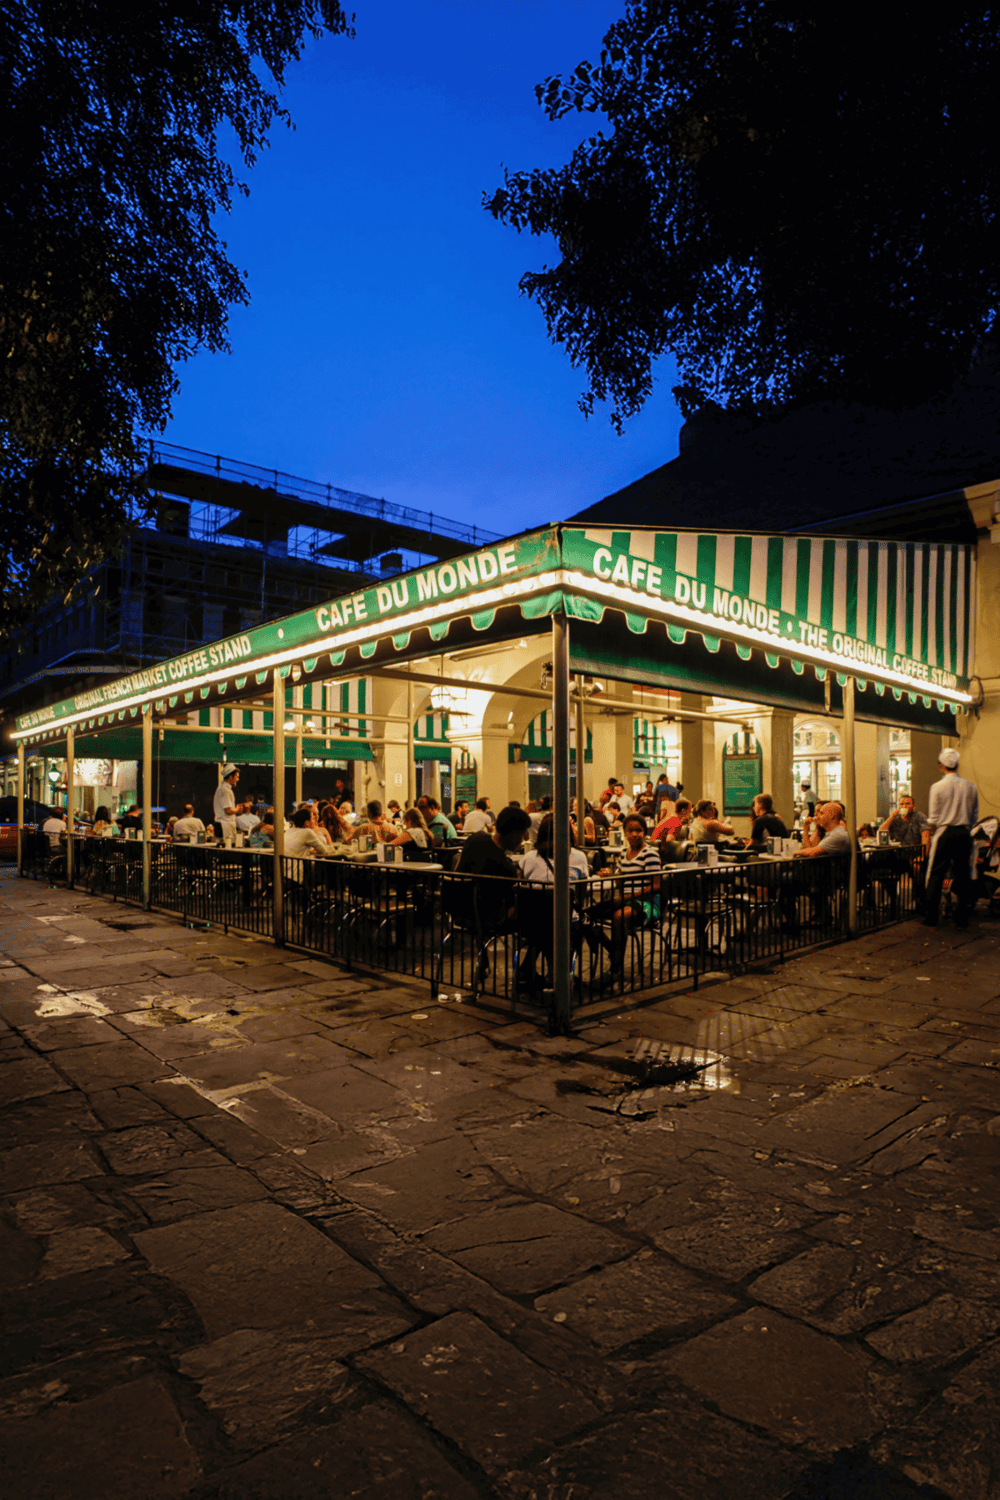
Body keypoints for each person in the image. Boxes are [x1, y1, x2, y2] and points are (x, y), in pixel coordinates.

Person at [589, 814, 663, 986]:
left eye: (639, 830)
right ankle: (612, 949)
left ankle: (615, 970)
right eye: (631, 830)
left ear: (644, 832)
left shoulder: (650, 854)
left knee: (619, 916)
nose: (635, 834)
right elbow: (620, 881)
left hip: (647, 903)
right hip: (627, 900)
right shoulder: (624, 853)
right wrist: (607, 874)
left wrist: (627, 897)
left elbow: (656, 885)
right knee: (588, 913)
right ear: (625, 833)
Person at [923, 748, 979, 929]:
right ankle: (962, 917)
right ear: (957, 764)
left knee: (936, 875)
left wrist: (931, 835)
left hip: (944, 833)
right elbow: (974, 816)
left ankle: (931, 917)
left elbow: (933, 818)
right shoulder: (971, 786)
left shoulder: (937, 787)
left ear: (941, 766)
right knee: (964, 875)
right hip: (964, 833)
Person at [456, 804, 531, 879]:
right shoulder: (506, 870)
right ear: (514, 835)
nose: (521, 841)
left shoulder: (475, 838)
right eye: (522, 836)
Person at [520, 814, 590, 883]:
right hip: (567, 894)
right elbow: (582, 890)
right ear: (568, 833)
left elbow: (523, 886)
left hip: (534, 894)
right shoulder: (579, 856)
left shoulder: (528, 857)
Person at [213, 764, 240, 840]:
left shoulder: (222, 788)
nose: (238, 779)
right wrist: (238, 809)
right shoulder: (225, 790)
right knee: (227, 849)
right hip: (223, 825)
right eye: (237, 777)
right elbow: (228, 811)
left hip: (222, 825)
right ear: (231, 777)